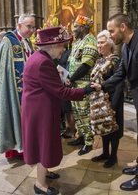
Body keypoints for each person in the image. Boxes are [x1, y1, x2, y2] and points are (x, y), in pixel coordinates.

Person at [21, 26, 98, 195]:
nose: (63, 50)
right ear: (52, 46)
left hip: (38, 108)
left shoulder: (39, 57)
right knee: (44, 145)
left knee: (44, 142)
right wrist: (85, 90)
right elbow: (61, 92)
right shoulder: (43, 63)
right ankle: (40, 185)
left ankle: (45, 172)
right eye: (62, 46)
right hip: (41, 112)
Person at [94, 13, 138, 191]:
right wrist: (101, 86)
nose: (110, 35)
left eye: (111, 31)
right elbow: (121, 73)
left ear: (123, 27)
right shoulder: (126, 47)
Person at [0, 14, 35, 159]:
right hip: (15, 91)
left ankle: (27, 147)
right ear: (19, 25)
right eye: (29, 26)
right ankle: (16, 149)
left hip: (29, 91)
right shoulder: (8, 41)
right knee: (16, 117)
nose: (32, 30)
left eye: (33, 27)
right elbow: (5, 72)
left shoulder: (27, 42)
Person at [90, 30, 124, 168]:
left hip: (112, 100)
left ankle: (113, 156)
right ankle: (105, 153)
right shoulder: (100, 60)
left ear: (109, 44)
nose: (99, 45)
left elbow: (119, 83)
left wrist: (113, 106)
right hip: (100, 101)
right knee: (103, 128)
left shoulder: (115, 60)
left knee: (114, 130)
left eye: (102, 42)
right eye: (98, 42)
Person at [67, 15, 99, 155]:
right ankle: (81, 136)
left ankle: (89, 142)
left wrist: (70, 78)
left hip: (83, 84)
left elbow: (86, 65)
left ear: (84, 27)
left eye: (76, 26)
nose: (73, 29)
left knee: (85, 114)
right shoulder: (78, 42)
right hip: (75, 85)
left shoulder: (90, 41)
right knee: (77, 114)